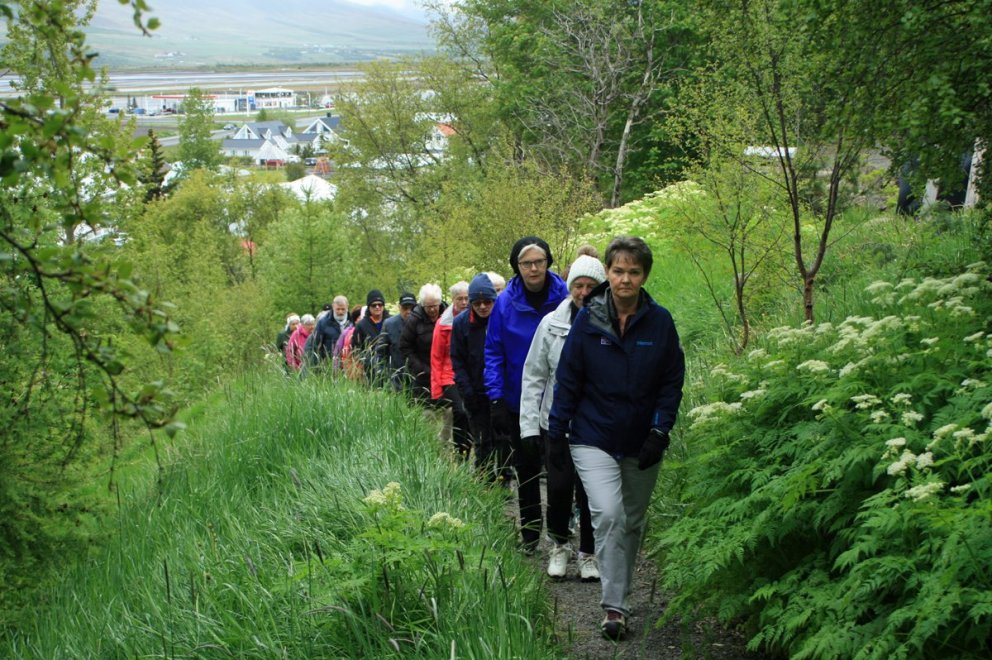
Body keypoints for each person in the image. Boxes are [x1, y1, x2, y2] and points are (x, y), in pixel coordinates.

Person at [548, 236, 685, 640]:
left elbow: (671, 380)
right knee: (608, 514)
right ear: (607, 272)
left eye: (634, 272)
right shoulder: (588, 321)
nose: (625, 279)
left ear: (644, 276)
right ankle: (614, 607)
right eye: (618, 271)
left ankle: (619, 595)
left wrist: (661, 429)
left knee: (633, 522)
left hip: (643, 439)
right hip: (593, 436)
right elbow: (568, 378)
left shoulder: (660, 323)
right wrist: (557, 433)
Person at [520, 254, 606, 580]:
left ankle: (588, 553)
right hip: (555, 423)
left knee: (591, 493)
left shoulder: (612, 324)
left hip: (596, 427)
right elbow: (534, 376)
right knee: (558, 488)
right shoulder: (551, 324)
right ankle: (559, 544)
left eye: (591, 286)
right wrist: (528, 427)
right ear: (570, 288)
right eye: (578, 285)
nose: (584, 291)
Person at [485, 236, 569, 553]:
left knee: (563, 472)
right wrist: (495, 399)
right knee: (527, 470)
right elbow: (493, 352)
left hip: (562, 401)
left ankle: (563, 533)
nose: (534, 269)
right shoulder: (505, 303)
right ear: (517, 267)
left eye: (539, 262)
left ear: (548, 262)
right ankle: (531, 535)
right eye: (526, 264)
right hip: (519, 400)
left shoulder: (566, 297)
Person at [452, 274, 502, 477]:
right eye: (477, 303)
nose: (482, 307)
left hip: (499, 389)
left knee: (502, 437)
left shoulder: (502, 316)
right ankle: (484, 480)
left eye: (487, 302)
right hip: (474, 390)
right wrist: (467, 392)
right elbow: (457, 360)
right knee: (482, 440)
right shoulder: (461, 323)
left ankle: (505, 477)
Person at [431, 281, 471, 458]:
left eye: (466, 298)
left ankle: (466, 451)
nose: (464, 302)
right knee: (460, 411)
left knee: (470, 411)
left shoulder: (475, 318)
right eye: (460, 299)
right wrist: (436, 388)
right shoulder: (443, 323)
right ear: (453, 300)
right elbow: (436, 356)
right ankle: (459, 452)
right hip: (448, 375)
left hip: (469, 373)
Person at [400, 284, 446, 404]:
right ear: (422, 305)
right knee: (428, 411)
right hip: (424, 373)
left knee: (449, 408)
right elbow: (405, 346)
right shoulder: (414, 320)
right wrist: (419, 368)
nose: (431, 310)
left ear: (440, 303)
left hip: (445, 371)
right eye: (428, 306)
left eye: (434, 306)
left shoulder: (448, 316)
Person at [351, 289, 391, 385]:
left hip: (390, 369)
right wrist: (368, 361)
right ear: (369, 307)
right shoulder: (361, 325)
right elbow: (356, 349)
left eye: (380, 304)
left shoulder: (391, 322)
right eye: (374, 305)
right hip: (370, 372)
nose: (377, 307)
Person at [379, 292, 417, 391]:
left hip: (418, 377)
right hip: (396, 379)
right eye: (405, 308)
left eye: (411, 308)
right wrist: (386, 375)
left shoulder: (421, 323)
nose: (408, 311)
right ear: (399, 307)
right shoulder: (389, 324)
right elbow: (380, 353)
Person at [308, 295, 352, 370]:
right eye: (338, 309)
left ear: (347, 307)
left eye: (343, 309)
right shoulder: (323, 323)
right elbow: (315, 345)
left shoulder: (352, 322)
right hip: (328, 365)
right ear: (333, 307)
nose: (340, 312)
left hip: (348, 365)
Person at [336, 305, 364, 380]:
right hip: (352, 370)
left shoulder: (347, 332)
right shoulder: (348, 333)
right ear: (356, 319)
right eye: (360, 318)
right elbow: (338, 351)